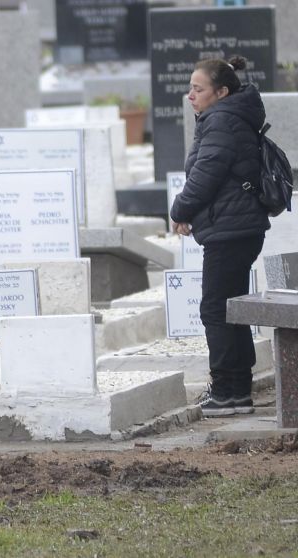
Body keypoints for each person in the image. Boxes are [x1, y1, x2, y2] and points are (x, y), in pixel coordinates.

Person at [170, 56, 270, 417]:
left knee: (216, 309)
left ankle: (227, 390)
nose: (190, 95)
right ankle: (237, 389)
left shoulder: (222, 122)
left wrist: (179, 210)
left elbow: (205, 175)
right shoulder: (225, 118)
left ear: (221, 92)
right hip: (236, 226)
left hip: (231, 229)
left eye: (198, 89)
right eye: (190, 88)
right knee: (231, 308)